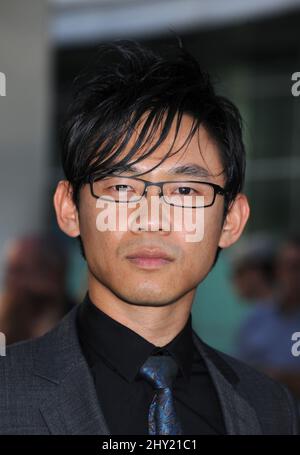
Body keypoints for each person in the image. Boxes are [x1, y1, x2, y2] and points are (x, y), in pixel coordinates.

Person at [0, 39, 298, 435]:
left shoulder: (271, 409)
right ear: (70, 209)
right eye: (122, 188)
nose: (152, 220)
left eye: (185, 191)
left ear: (231, 220)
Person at [234, 235, 300, 402]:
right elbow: (236, 374)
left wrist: (280, 377)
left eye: (296, 267)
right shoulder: (257, 318)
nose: (292, 275)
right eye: (287, 266)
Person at [0, 232, 76, 344]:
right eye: (10, 271)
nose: (11, 280)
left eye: (20, 271)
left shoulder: (78, 324)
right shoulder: (7, 316)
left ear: (51, 274)